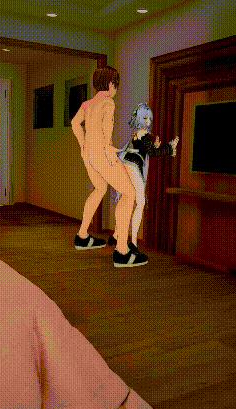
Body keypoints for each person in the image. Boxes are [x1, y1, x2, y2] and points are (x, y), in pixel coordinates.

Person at [71, 66, 148, 268]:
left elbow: (75, 123)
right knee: (129, 193)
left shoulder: (87, 104)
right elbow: (107, 133)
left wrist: (83, 144)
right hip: (102, 155)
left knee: (100, 188)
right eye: (116, 85)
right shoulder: (108, 102)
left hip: (89, 155)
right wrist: (111, 153)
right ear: (111, 84)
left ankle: (82, 236)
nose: (116, 90)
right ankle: (121, 251)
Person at [109, 103, 179, 253]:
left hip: (126, 164)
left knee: (126, 199)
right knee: (140, 202)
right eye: (145, 118)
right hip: (133, 167)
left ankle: (116, 234)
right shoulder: (144, 134)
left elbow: (148, 150)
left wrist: (156, 147)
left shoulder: (136, 133)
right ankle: (133, 242)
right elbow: (152, 153)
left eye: (149, 118)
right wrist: (169, 148)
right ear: (140, 118)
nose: (148, 121)